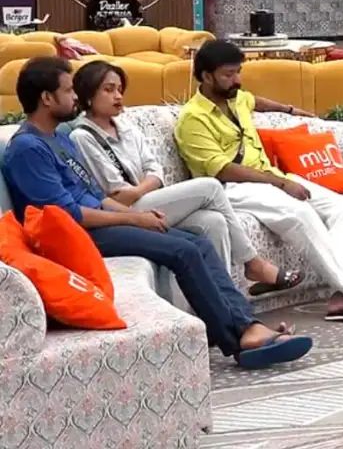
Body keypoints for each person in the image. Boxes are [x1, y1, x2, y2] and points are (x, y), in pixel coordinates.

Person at [2, 57, 312, 369]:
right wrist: (134, 218)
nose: (75, 97)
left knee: (198, 241)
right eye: (68, 90)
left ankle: (245, 325)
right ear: (47, 98)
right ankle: (240, 338)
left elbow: (95, 197)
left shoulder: (58, 138)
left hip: (97, 224)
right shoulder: (28, 148)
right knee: (182, 251)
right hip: (76, 236)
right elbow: (69, 215)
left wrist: (138, 215)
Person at [173, 40, 343, 322]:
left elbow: (254, 101)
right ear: (206, 76)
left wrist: (290, 110)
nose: (237, 80)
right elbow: (222, 170)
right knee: (300, 214)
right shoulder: (192, 119)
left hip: (269, 178)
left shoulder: (236, 98)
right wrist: (280, 183)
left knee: (342, 207)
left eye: (238, 72)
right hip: (231, 188)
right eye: (228, 74)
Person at [69, 60, 303, 296]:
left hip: (149, 199)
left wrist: (141, 188)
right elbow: (117, 192)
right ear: (88, 95)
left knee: (214, 222)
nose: (118, 96)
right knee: (211, 187)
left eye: (120, 89)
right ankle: (253, 264)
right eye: (109, 90)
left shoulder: (125, 127)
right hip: (124, 212)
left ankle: (224, 301)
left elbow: (155, 169)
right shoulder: (82, 136)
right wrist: (144, 188)